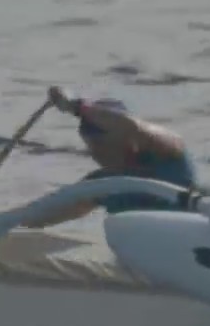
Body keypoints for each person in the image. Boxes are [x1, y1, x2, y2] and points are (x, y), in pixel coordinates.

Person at [17, 87, 199, 228]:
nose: (98, 153)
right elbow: (46, 214)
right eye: (92, 145)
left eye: (102, 142)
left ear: (125, 137)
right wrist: (9, 223)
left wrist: (78, 107)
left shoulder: (168, 154)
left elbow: (134, 127)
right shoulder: (101, 183)